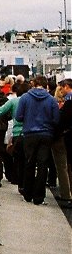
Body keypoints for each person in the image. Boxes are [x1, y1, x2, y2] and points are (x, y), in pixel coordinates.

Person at [14, 75, 61, 205]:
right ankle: (39, 197)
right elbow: (56, 119)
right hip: (46, 135)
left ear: (33, 84)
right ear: (46, 85)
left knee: (29, 163)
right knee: (42, 165)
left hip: (29, 134)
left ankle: (27, 194)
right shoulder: (52, 100)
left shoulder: (24, 98)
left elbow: (18, 117)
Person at [51, 78, 72, 207]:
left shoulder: (68, 103)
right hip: (67, 135)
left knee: (63, 166)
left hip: (65, 137)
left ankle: (66, 195)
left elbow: (62, 121)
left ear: (65, 87)